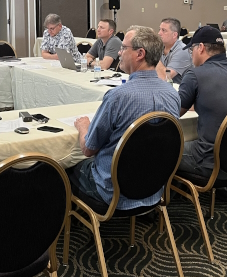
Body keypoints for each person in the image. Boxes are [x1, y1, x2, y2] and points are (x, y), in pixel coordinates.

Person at [71, 26, 181, 209]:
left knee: (68, 168)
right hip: (154, 188)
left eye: (124, 48)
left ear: (140, 53)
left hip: (113, 192)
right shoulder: (172, 94)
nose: (119, 53)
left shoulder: (118, 97)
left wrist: (84, 126)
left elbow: (88, 149)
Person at [176, 26, 227, 179]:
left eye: (191, 49)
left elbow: (173, 114)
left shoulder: (195, 74)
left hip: (210, 161)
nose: (191, 54)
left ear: (200, 48)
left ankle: (165, 197)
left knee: (160, 148)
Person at [155, 17, 192, 83]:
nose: (159, 33)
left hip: (179, 90)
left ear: (174, 35)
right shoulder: (161, 47)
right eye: (159, 29)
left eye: (163, 30)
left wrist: (153, 56)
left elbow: (165, 77)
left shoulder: (182, 50)